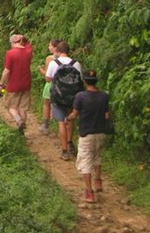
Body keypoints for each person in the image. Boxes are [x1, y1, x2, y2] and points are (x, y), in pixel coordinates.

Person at [66, 69, 111, 203]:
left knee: (86, 161)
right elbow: (107, 115)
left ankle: (89, 191)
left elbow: (74, 114)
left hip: (87, 133)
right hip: (101, 132)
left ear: (84, 81)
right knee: (97, 156)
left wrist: (67, 119)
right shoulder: (104, 96)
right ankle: (98, 181)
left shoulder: (80, 96)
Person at [45, 41, 83, 160]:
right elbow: (80, 80)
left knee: (61, 122)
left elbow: (48, 79)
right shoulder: (76, 63)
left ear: (58, 51)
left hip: (58, 97)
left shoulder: (53, 63)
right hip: (73, 97)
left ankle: (64, 150)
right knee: (70, 119)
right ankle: (70, 142)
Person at [0, 34, 33, 133]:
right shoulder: (28, 51)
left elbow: (6, 71)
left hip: (13, 84)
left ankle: (18, 120)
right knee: (22, 108)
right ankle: (22, 132)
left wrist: (1, 84)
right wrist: (22, 37)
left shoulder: (10, 53)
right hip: (26, 83)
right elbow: (28, 42)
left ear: (12, 42)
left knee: (10, 106)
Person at [37, 39, 60, 134]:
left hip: (51, 84)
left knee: (46, 104)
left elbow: (47, 75)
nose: (49, 47)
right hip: (61, 85)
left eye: (50, 45)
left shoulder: (49, 58)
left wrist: (40, 69)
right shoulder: (65, 58)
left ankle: (45, 125)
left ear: (55, 48)